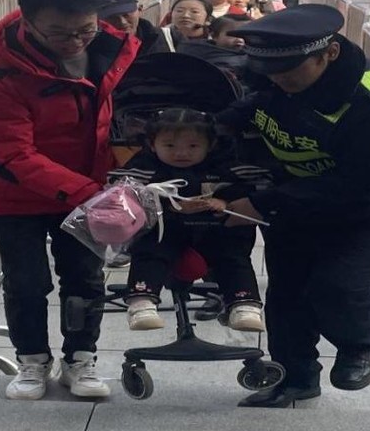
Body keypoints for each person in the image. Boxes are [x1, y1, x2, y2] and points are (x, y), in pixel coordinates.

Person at [215, 4, 370, 408]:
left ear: (329, 53)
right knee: (288, 286)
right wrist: (215, 126)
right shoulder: (276, 74)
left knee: (339, 281)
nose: (279, 80)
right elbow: (257, 103)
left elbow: (360, 188)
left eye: (289, 71)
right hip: (296, 184)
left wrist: (261, 203)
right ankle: (295, 377)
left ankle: (357, 345)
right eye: (271, 71)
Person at [0, 0, 141, 401]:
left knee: (84, 276)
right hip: (13, 195)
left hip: (85, 188)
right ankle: (32, 360)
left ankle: (80, 358)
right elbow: (11, 155)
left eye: (85, 30)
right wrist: (89, 192)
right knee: (27, 280)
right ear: (29, 23)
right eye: (59, 33)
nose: (75, 41)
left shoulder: (108, 49)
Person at [109, 109, 269, 333]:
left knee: (233, 257)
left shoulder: (227, 165)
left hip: (215, 230)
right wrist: (166, 204)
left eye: (193, 146)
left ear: (210, 145)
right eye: (170, 146)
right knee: (149, 251)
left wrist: (226, 202)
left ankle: (244, 304)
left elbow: (255, 187)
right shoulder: (144, 167)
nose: (181, 153)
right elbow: (121, 194)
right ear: (152, 145)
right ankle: (141, 302)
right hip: (166, 229)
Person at [99, 0, 171, 55]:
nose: (122, 22)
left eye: (126, 15)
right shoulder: (96, 46)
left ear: (140, 10)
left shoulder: (165, 39)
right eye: (113, 18)